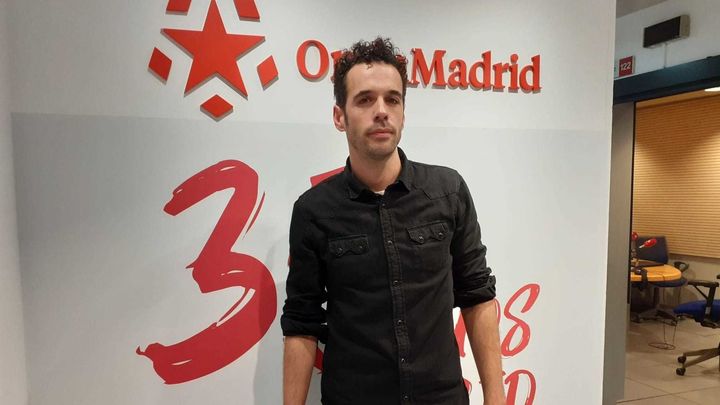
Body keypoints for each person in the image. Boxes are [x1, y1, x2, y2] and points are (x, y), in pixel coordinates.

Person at [281, 37, 504, 405]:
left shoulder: (448, 192)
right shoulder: (314, 211)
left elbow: (477, 296)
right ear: (339, 116)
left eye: (392, 99)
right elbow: (301, 323)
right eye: (365, 100)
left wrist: (496, 399)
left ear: (403, 113)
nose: (381, 111)